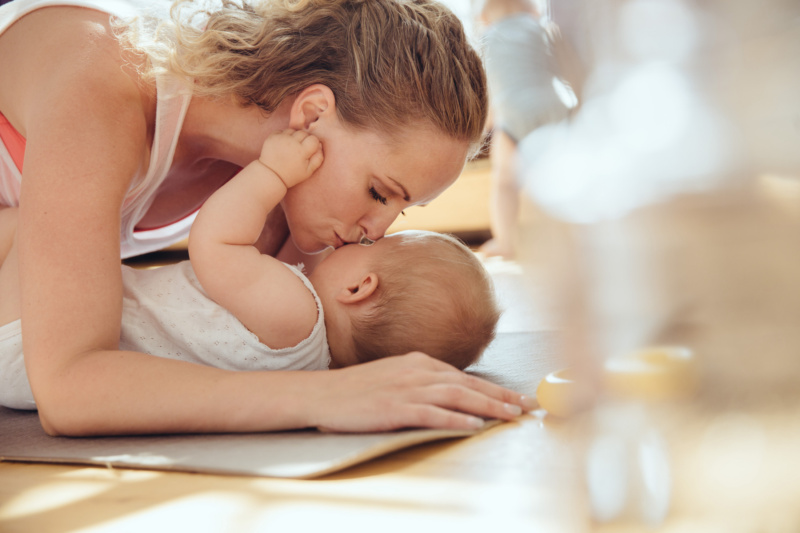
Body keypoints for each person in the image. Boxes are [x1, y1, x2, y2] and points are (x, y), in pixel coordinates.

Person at [0, 0, 535, 436]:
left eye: (402, 209)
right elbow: (67, 388)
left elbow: (297, 337)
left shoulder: (283, 186)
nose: (377, 229)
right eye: (378, 191)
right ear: (312, 114)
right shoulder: (101, 84)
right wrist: (327, 398)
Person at [0, 129, 501, 410]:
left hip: (39, 336)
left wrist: (272, 175)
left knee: (32, 222)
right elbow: (291, 263)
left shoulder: (294, 312)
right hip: (32, 355)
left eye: (378, 244)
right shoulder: (307, 352)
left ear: (359, 286)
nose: (367, 233)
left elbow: (216, 244)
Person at [476, 0, 581, 259]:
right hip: (552, 111)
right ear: (534, 10)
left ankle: (505, 242)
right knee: (563, 179)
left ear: (484, 18)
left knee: (504, 183)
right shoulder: (541, 31)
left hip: (511, 116)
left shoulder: (486, 39)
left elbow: (485, 91)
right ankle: (573, 238)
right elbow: (567, 71)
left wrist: (488, 124)